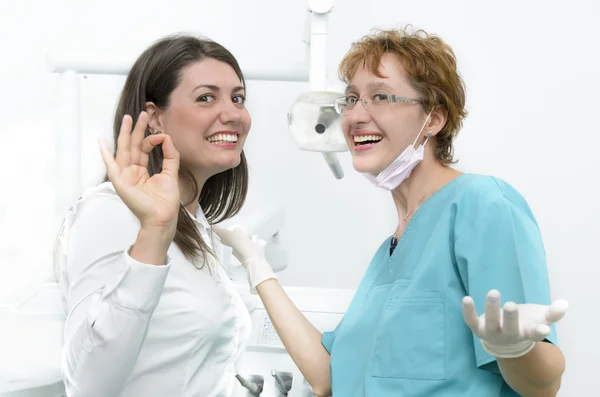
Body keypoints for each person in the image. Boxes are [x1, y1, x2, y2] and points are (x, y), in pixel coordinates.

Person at [214, 27, 568, 397]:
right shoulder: (390, 250)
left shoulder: (482, 205)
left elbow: (543, 386)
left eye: (379, 97)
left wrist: (516, 350)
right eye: (351, 99)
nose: (354, 116)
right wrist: (259, 269)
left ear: (433, 118)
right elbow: (328, 376)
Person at [53, 34, 273, 397]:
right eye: (206, 97)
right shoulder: (110, 213)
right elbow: (89, 385)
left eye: (238, 98)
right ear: (154, 117)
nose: (233, 114)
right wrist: (153, 233)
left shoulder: (195, 226)